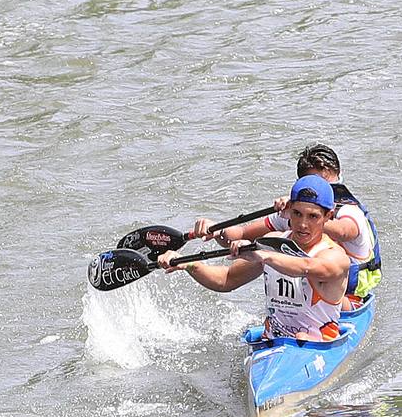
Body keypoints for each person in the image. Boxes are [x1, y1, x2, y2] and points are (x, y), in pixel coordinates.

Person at [159, 175, 351, 341]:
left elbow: (307, 266)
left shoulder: (336, 257)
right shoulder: (271, 242)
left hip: (316, 345)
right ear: (288, 210)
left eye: (313, 217)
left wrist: (264, 256)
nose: (302, 224)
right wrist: (190, 264)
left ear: (328, 216)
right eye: (297, 214)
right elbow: (227, 279)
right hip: (273, 343)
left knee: (303, 337)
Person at [193, 144, 381, 308]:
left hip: (348, 298)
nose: (324, 193)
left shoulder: (349, 212)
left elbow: (344, 232)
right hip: (302, 298)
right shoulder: (292, 215)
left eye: (330, 187)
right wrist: (218, 230)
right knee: (272, 241)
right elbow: (240, 234)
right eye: (313, 187)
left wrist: (301, 212)